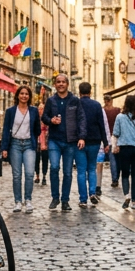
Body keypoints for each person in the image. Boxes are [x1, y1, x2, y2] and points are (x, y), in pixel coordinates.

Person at [43, 74, 83, 211]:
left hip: (70, 141)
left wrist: (82, 137)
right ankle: (55, 198)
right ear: (55, 84)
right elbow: (44, 117)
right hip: (54, 139)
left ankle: (65, 200)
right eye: (58, 82)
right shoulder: (51, 100)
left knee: (67, 172)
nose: (61, 84)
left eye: (63, 82)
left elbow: (81, 119)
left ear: (67, 84)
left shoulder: (74, 101)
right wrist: (51, 121)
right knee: (54, 168)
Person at [1, 85, 41, 212]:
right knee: (17, 175)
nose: (24, 96)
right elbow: (6, 130)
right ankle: (18, 201)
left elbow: (37, 129)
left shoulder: (33, 111)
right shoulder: (11, 111)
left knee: (29, 173)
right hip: (15, 145)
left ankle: (28, 200)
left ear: (29, 97)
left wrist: (33, 138)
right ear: (17, 95)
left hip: (29, 144)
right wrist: (4, 148)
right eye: (22, 93)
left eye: (26, 94)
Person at [78, 82, 110, 206]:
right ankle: (92, 192)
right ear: (90, 92)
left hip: (80, 141)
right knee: (92, 168)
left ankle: (82, 199)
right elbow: (101, 125)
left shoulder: (76, 104)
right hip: (95, 141)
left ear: (80, 92)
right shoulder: (97, 106)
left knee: (81, 170)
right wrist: (106, 142)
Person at [104, 96, 122, 187]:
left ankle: (115, 179)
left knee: (113, 159)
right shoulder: (117, 110)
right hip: (118, 137)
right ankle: (116, 177)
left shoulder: (103, 111)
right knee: (118, 159)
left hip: (108, 137)